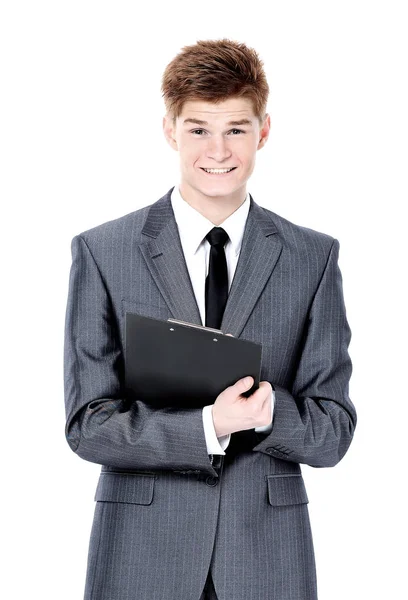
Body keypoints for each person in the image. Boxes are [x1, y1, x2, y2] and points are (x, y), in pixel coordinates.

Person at [63, 38, 357, 600]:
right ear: (170, 130)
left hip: (267, 555)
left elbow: (334, 432)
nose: (218, 150)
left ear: (263, 131)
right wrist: (208, 426)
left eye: (236, 130)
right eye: (199, 129)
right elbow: (88, 424)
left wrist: (269, 415)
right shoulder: (105, 251)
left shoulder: (312, 258)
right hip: (141, 552)